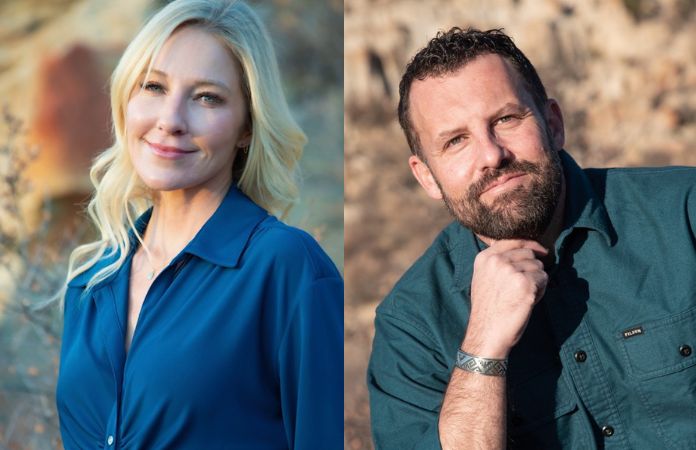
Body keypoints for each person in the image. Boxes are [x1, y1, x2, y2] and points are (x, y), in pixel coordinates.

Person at [367, 27, 696, 450]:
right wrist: (483, 345)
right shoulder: (412, 328)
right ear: (427, 176)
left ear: (553, 124)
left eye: (505, 120)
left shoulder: (683, 215)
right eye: (456, 141)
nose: (491, 155)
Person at [56, 1, 343, 448]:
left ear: (247, 126)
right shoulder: (90, 285)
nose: (170, 121)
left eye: (207, 97)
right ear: (126, 101)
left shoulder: (287, 269)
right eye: (153, 86)